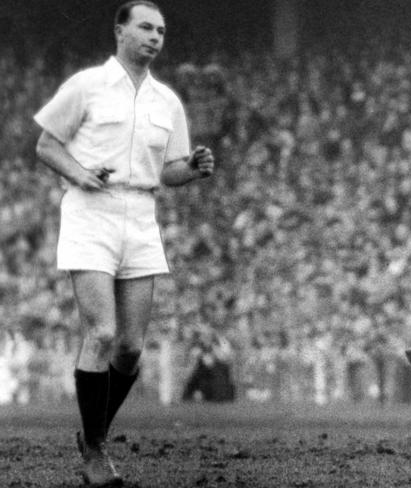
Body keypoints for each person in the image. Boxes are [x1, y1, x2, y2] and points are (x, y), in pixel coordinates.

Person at [33, 2, 214, 485]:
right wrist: (81, 173)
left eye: (162, 30)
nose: (156, 37)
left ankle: (93, 433)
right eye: (146, 27)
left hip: (141, 215)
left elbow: (169, 170)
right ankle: (95, 452)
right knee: (103, 333)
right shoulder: (87, 85)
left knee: (132, 348)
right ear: (120, 31)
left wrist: (191, 169)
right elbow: (47, 145)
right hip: (91, 212)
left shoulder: (166, 101)